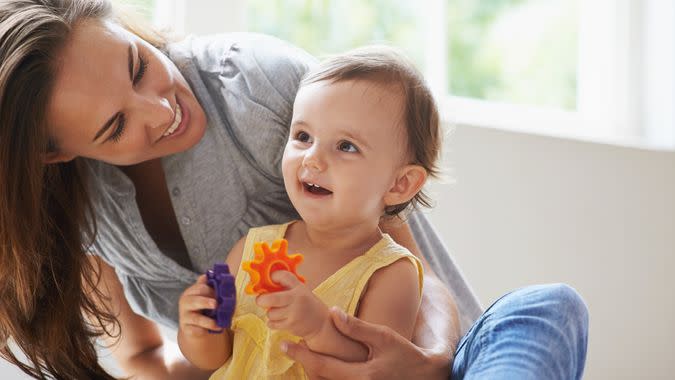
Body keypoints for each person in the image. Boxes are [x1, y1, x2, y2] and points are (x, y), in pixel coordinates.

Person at [0, 1, 588, 379]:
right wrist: (204, 337)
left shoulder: (258, 86)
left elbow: (412, 266)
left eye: (137, 67)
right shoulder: (81, 211)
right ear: (56, 153)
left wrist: (430, 358)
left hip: (434, 357)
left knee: (547, 308)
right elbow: (147, 357)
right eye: (116, 125)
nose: (161, 109)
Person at [177, 46, 437, 379]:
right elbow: (214, 358)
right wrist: (199, 328)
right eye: (303, 136)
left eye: (346, 146)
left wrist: (320, 330)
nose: (312, 158)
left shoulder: (391, 274)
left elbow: (378, 369)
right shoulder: (252, 248)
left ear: (400, 184)